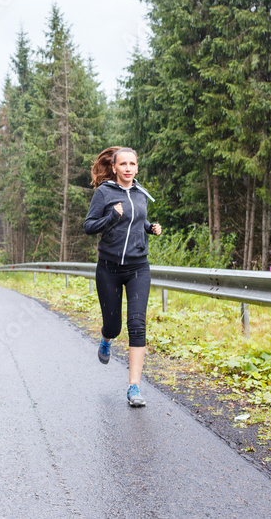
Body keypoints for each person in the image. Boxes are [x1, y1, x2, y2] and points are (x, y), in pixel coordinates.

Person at [83, 146, 162, 407]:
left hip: (138, 266)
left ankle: (134, 387)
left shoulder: (140, 193)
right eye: (123, 164)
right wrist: (110, 217)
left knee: (137, 324)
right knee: (114, 326)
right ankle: (106, 339)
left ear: (137, 168)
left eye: (132, 164)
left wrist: (150, 227)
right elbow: (89, 226)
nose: (128, 168)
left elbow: (138, 220)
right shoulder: (104, 192)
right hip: (109, 267)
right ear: (114, 168)